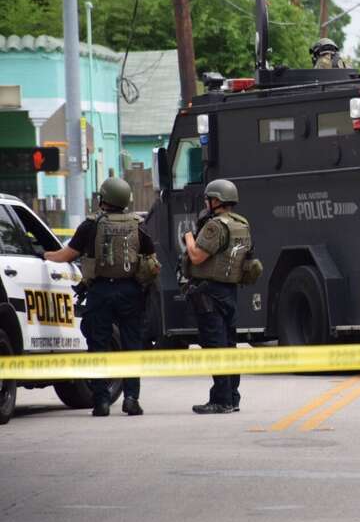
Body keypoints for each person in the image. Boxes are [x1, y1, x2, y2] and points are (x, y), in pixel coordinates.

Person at [44, 177, 160, 416]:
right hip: (130, 292)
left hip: (100, 291)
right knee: (131, 346)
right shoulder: (138, 225)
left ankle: (101, 402)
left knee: (98, 345)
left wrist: (46, 255)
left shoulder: (91, 225)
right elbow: (151, 258)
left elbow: (67, 255)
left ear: (104, 199)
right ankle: (131, 399)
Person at [183, 179, 254, 414]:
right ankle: (232, 397)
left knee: (215, 346)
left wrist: (188, 237)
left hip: (210, 293)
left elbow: (196, 257)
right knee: (229, 346)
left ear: (217, 200)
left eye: (208, 199)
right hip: (230, 292)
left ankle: (221, 401)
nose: (206, 203)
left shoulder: (215, 226)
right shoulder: (241, 224)